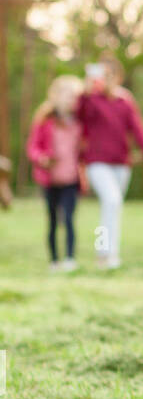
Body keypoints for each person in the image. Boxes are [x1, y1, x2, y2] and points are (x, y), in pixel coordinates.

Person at [76, 54, 143, 270]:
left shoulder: (125, 102)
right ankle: (104, 253)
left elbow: (139, 132)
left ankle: (111, 254)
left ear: (118, 77)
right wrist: (87, 92)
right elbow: (80, 117)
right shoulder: (90, 99)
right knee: (111, 201)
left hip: (121, 163)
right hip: (96, 161)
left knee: (113, 207)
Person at [27, 74, 85, 271]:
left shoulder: (79, 122)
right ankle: (54, 260)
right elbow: (33, 148)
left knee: (69, 218)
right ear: (55, 96)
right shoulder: (44, 120)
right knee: (52, 220)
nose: (70, 99)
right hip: (50, 179)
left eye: (74, 95)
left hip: (71, 178)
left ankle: (70, 258)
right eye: (66, 95)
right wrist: (41, 158)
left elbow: (84, 147)